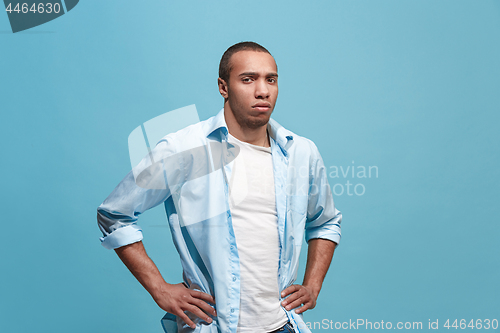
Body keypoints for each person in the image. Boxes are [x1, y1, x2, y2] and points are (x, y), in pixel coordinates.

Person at [97, 41, 342, 333]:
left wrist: (313, 285)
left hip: (283, 326)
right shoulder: (183, 148)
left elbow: (325, 222)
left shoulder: (302, 152)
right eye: (248, 79)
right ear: (223, 87)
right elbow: (114, 214)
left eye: (271, 79)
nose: (262, 90)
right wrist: (159, 288)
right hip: (213, 327)